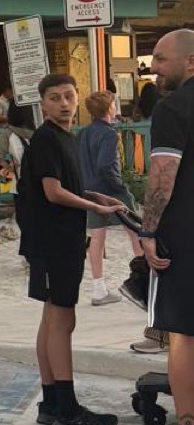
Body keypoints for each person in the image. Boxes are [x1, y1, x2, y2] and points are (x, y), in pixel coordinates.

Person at [18, 71, 122, 425]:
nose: (64, 103)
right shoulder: (47, 138)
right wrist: (95, 209)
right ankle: (67, 408)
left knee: (52, 319)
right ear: (42, 103)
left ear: (78, 98)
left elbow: (69, 186)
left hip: (60, 240)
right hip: (52, 241)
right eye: (55, 98)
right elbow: (53, 191)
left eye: (69, 96)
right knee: (62, 321)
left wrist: (97, 197)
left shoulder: (67, 138)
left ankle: (51, 402)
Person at [137, 29, 194, 425]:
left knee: (182, 335)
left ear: (189, 63)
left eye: (159, 59)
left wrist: (148, 230)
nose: (152, 67)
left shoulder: (173, 109)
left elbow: (162, 176)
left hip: (184, 237)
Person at [79, 90, 140, 306]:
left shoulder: (84, 133)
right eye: (113, 104)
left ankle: (98, 288)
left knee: (97, 237)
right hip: (111, 189)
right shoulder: (108, 133)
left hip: (90, 188)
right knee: (136, 233)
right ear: (108, 109)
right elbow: (106, 164)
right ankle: (144, 282)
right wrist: (119, 186)